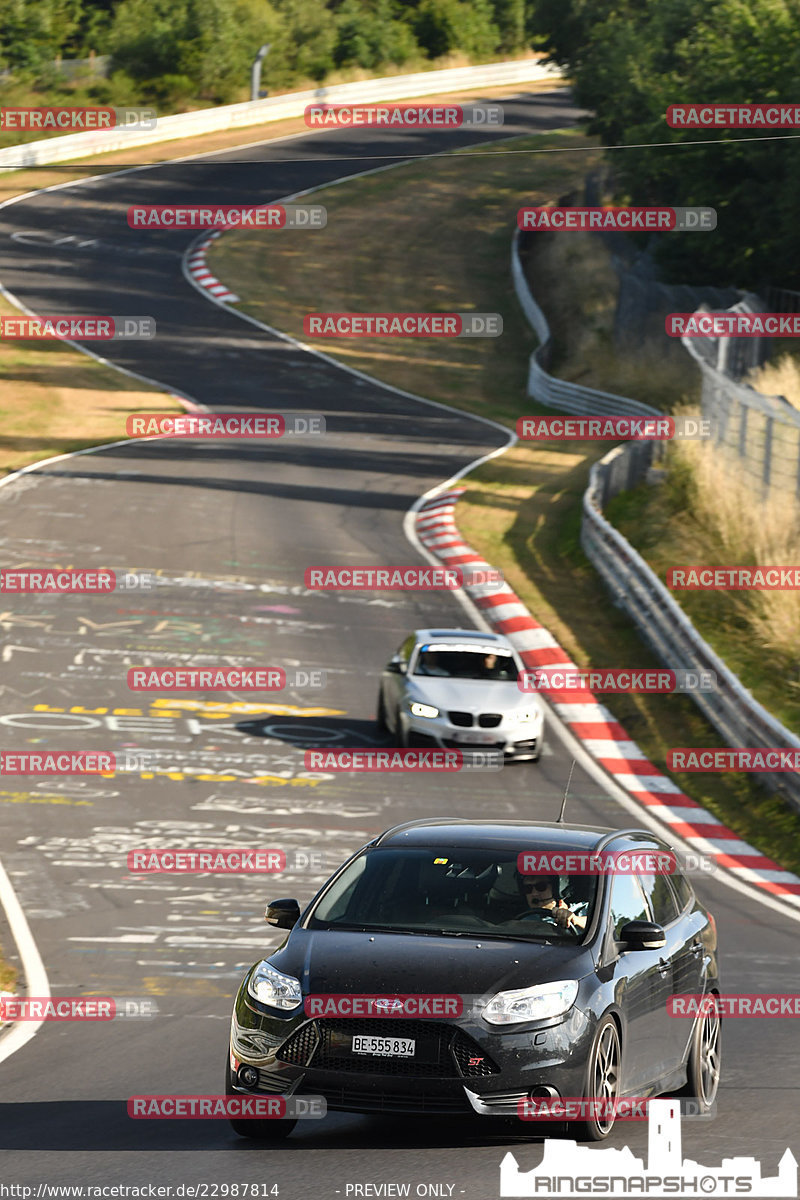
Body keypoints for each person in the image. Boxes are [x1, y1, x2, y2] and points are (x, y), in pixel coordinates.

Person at [515, 873, 587, 932]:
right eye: (528, 888)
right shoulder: (523, 920)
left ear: (556, 889)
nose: (534, 893)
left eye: (541, 887)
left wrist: (575, 919)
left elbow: (596, 925)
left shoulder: (582, 909)